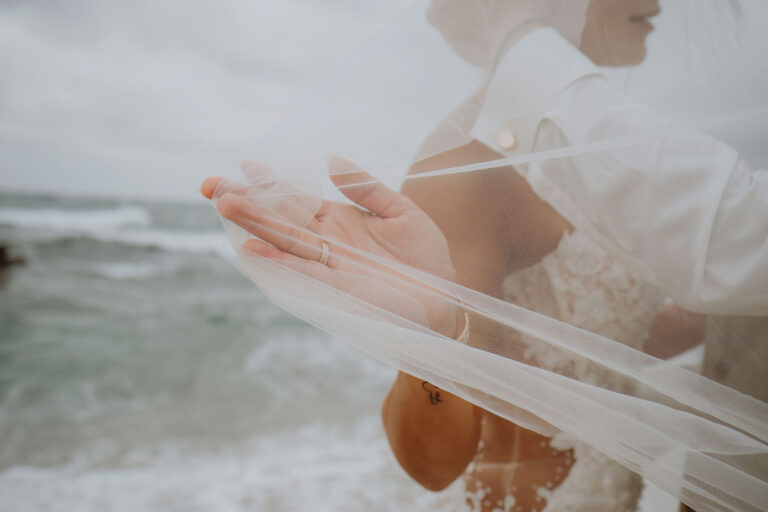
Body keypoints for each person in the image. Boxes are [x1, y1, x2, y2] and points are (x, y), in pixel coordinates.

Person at [200, 1, 767, 510]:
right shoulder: (468, 169)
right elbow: (431, 465)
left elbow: (598, 341)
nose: (658, 3)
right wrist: (434, 345)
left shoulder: (610, 150)